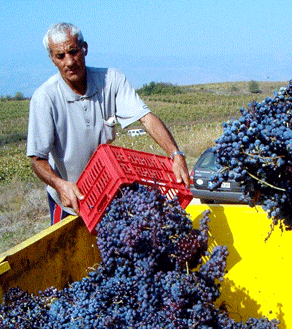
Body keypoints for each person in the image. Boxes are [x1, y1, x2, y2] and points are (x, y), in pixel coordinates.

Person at [27, 23, 190, 224]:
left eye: (73, 51)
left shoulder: (110, 80)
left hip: (106, 192)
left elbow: (146, 118)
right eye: (60, 56)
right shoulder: (45, 98)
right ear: (52, 59)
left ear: (84, 48)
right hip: (68, 201)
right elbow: (37, 159)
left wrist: (175, 154)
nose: (69, 61)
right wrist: (60, 185)